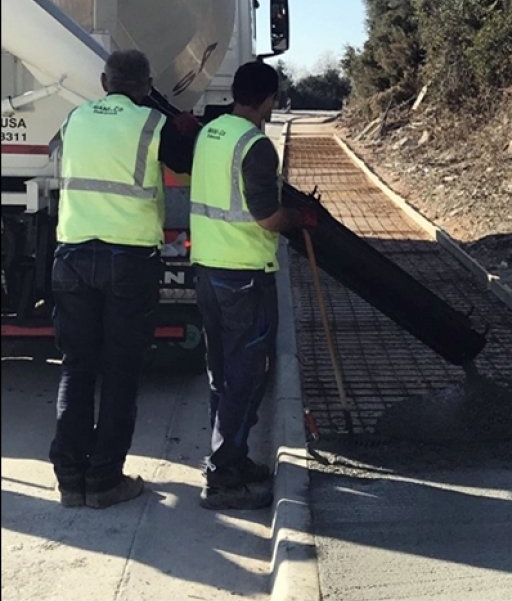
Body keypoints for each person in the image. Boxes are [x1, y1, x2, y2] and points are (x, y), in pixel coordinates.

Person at [50, 49, 200, 508]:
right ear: (148, 84)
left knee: (77, 367)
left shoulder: (74, 118)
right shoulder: (152, 124)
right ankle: (104, 480)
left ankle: (70, 479)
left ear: (102, 80)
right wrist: (184, 128)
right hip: (128, 261)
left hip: (72, 255)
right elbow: (185, 164)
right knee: (119, 370)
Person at [189, 61, 316, 509]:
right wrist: (299, 220)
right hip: (244, 274)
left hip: (208, 269)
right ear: (267, 99)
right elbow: (265, 215)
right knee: (245, 375)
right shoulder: (256, 145)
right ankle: (223, 477)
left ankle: (234, 457)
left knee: (223, 373)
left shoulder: (212, 133)